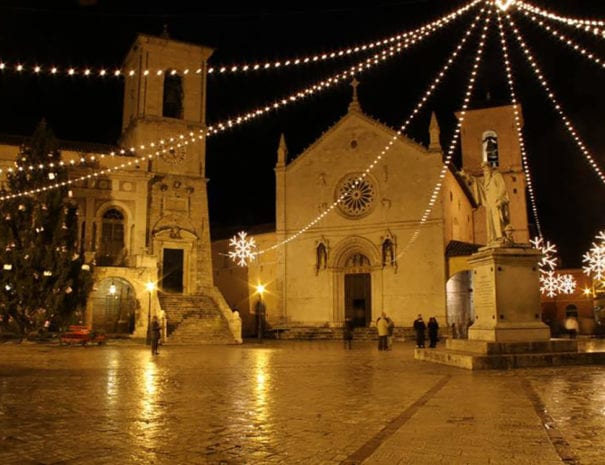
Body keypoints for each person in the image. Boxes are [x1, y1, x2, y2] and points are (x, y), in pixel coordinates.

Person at [462, 162, 510, 245]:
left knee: (498, 218)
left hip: (496, 201)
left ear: (490, 168)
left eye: (486, 169)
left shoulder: (496, 176)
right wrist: (466, 176)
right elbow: (475, 181)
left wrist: (499, 199)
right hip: (489, 203)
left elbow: (502, 188)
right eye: (483, 170)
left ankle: (500, 236)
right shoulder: (486, 179)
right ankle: (492, 238)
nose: (485, 171)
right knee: (490, 220)